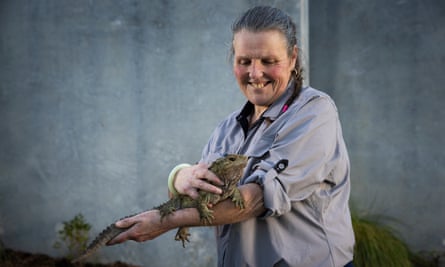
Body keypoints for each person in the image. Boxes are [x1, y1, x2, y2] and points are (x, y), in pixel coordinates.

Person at [108, 6, 355, 267]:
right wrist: (179, 176)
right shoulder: (227, 128)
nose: (255, 73)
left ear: (293, 58)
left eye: (268, 61)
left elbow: (258, 199)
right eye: (244, 61)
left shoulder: (314, 112)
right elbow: (200, 195)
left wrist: (166, 222)